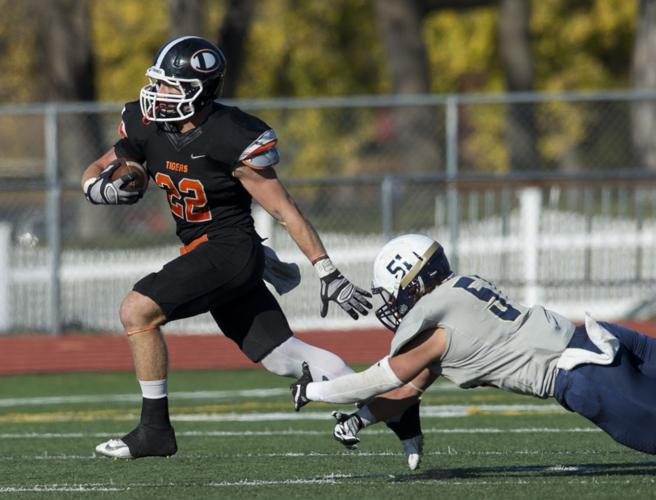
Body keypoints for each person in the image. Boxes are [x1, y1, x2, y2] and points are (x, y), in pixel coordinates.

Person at [81, 35, 422, 462]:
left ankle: (155, 430)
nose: (158, 94)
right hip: (204, 252)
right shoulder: (146, 124)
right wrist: (101, 187)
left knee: (137, 309)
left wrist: (327, 271)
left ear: (197, 91)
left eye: (170, 86)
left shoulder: (230, 135)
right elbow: (107, 165)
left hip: (230, 249)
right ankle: (398, 407)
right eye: (158, 83)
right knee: (286, 358)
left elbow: (285, 211)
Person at [292, 233, 656, 457]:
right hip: (600, 337)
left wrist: (313, 390)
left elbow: (383, 377)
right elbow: (410, 389)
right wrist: (360, 419)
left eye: (394, 295)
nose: (393, 306)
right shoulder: (463, 291)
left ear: (413, 284)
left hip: (583, 374)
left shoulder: (438, 330)